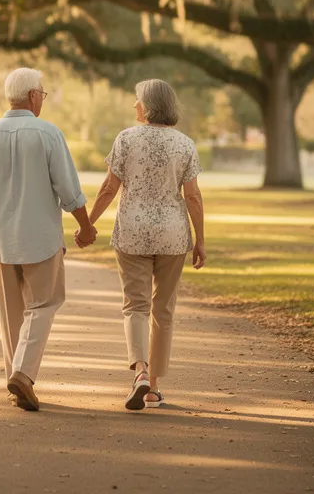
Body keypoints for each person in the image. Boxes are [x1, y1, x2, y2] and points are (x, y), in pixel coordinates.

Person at [0, 67, 98, 411]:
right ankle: (22, 374)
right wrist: (85, 226)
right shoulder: (48, 133)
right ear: (35, 96)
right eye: (43, 94)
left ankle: (16, 381)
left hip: (1, 239)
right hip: (40, 237)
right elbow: (69, 190)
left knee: (11, 314)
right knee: (44, 304)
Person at [81, 78, 206, 411]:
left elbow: (109, 188)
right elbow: (192, 195)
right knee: (163, 310)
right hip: (173, 235)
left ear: (148, 105)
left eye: (137, 100)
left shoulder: (126, 139)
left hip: (133, 233)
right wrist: (201, 241)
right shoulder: (185, 144)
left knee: (136, 305)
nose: (134, 106)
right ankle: (153, 389)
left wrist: (87, 224)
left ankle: (140, 373)